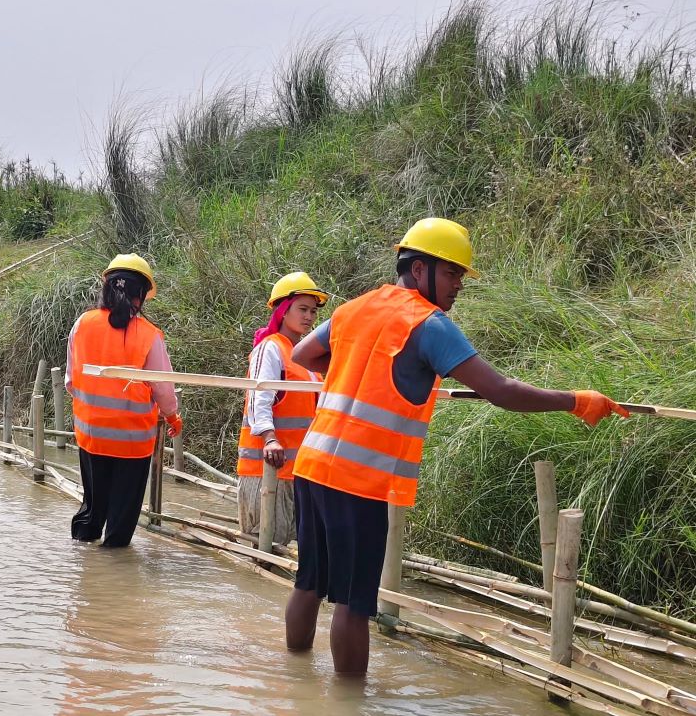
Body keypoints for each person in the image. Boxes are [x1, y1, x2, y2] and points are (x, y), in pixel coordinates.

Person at [284, 217, 628, 675]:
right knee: (352, 603)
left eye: (461, 276)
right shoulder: (430, 326)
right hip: (358, 482)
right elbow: (501, 390)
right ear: (419, 269)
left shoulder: (355, 308)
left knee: (308, 583)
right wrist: (575, 401)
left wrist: (355, 365)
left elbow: (303, 354)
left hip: (312, 467)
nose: (458, 286)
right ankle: (349, 703)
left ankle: (292, 683)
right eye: (451, 273)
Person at [65, 253, 182, 547]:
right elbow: (164, 389)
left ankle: (82, 561)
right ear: (140, 295)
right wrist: (172, 416)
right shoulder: (149, 335)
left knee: (92, 508)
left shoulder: (82, 324)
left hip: (91, 434)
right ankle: (113, 570)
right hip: (132, 440)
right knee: (121, 517)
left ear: (106, 288)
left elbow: (70, 381)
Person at [236, 272, 327, 545]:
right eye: (302, 309)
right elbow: (258, 398)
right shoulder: (271, 348)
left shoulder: (308, 358)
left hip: (300, 470)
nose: (309, 316)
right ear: (283, 310)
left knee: (294, 546)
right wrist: (270, 438)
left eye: (312, 311)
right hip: (267, 468)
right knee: (264, 546)